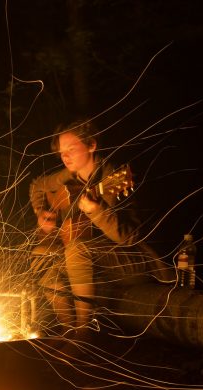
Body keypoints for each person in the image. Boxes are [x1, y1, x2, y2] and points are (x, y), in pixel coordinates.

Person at [30, 120, 169, 344]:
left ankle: (83, 335)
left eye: (71, 149)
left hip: (132, 261)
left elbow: (130, 238)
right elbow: (37, 185)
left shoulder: (116, 178)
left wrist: (96, 210)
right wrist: (41, 211)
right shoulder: (69, 176)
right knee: (42, 254)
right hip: (95, 260)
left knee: (77, 249)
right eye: (61, 152)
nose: (65, 157)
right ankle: (67, 330)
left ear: (91, 145)